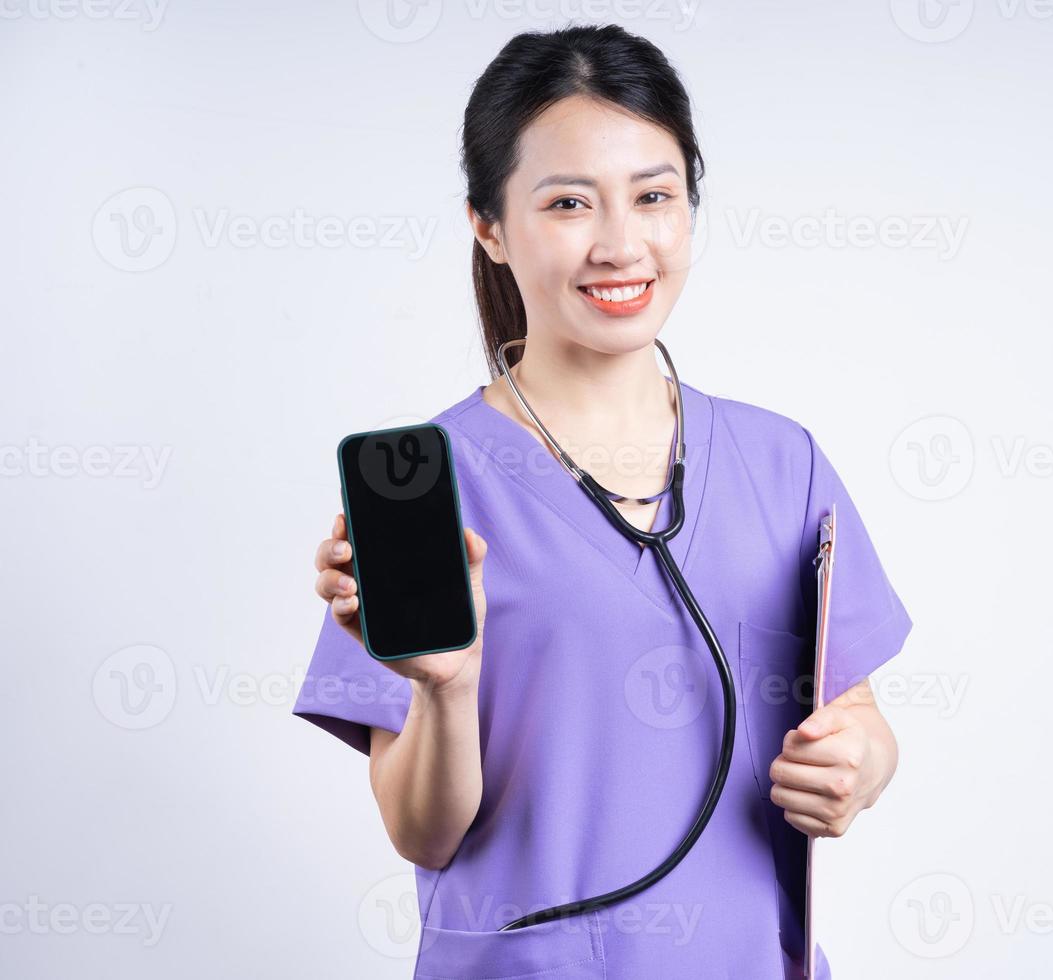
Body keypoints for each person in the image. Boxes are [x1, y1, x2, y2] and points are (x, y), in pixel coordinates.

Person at [294, 23, 913, 979]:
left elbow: (857, 714)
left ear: (690, 213)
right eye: (570, 203)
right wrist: (446, 689)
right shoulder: (422, 488)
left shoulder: (780, 461)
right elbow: (421, 834)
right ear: (489, 227)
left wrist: (858, 766)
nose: (621, 244)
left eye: (655, 196)